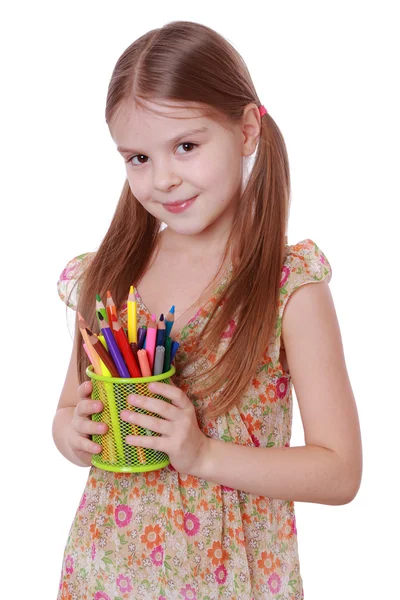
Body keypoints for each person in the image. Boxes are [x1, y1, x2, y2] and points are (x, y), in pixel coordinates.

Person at [53, 20, 362, 600]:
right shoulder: (109, 279)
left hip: (233, 581)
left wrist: (202, 454)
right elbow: (68, 411)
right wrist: (73, 433)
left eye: (186, 146)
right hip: (104, 575)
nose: (162, 178)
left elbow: (340, 471)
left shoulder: (288, 288)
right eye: (138, 157)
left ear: (246, 129)